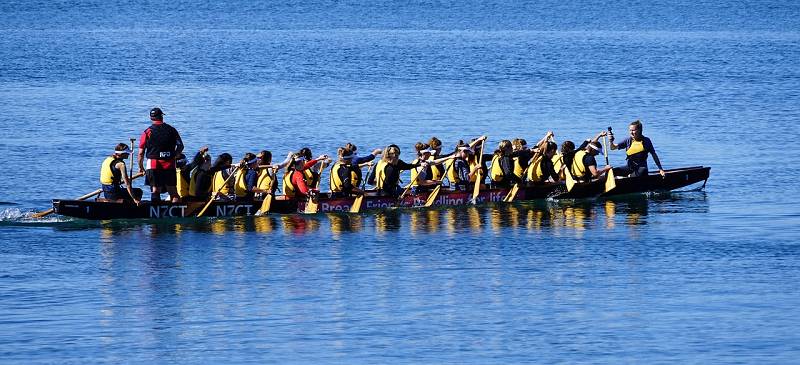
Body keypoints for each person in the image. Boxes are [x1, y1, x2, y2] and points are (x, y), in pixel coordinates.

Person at [137, 107, 184, 203]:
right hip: (169, 164)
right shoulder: (172, 130)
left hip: (153, 164)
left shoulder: (147, 132)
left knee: (155, 191)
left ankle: (156, 213)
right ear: (162, 116)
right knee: (173, 192)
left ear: (151, 118)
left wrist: (141, 167)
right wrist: (174, 155)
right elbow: (181, 146)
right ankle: (176, 213)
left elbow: (141, 153)